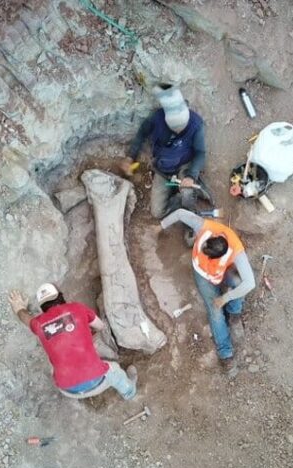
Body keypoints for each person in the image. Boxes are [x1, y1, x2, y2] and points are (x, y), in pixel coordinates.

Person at [160, 209, 256, 375]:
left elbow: (250, 284)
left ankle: (234, 314)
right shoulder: (204, 227)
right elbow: (181, 213)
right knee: (215, 310)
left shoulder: (236, 250)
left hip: (220, 272)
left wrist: (226, 297)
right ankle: (225, 353)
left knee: (238, 283)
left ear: (218, 255)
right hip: (202, 275)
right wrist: (161, 226)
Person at [9, 283, 138, 400]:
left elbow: (25, 318)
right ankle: (129, 392)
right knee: (114, 369)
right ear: (61, 296)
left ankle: (78, 384)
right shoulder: (77, 308)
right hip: (97, 382)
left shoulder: (39, 323)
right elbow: (101, 327)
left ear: (42, 307)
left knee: (55, 359)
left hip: (67, 390)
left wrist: (19, 307)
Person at [120, 83, 208, 219]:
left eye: (182, 129)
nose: (179, 132)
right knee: (157, 213)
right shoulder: (157, 119)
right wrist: (130, 157)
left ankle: (189, 210)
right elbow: (141, 134)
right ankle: (178, 197)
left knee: (187, 193)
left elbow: (200, 153)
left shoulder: (196, 124)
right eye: (176, 129)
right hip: (162, 170)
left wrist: (191, 175)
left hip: (184, 166)